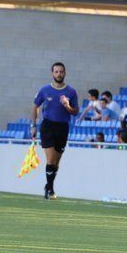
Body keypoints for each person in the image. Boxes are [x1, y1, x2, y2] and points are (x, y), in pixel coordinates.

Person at [31, 62, 79, 200]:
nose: (59, 74)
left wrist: (67, 106)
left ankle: (48, 185)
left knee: (56, 163)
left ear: (65, 73)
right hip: (48, 126)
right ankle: (50, 189)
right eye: (56, 71)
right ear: (52, 73)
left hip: (63, 127)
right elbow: (35, 107)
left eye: (61, 71)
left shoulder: (71, 92)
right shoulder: (45, 90)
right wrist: (33, 125)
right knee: (50, 160)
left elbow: (75, 112)